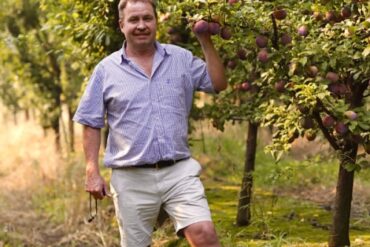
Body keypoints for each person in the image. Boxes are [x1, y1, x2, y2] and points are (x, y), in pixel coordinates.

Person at [73, 0, 227, 246]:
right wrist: (92, 170)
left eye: (147, 18)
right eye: (134, 20)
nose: (141, 25)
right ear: (122, 25)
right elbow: (91, 122)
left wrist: (205, 40)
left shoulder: (180, 58)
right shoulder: (106, 70)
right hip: (130, 177)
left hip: (179, 171)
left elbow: (218, 83)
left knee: (204, 234)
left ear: (156, 21)